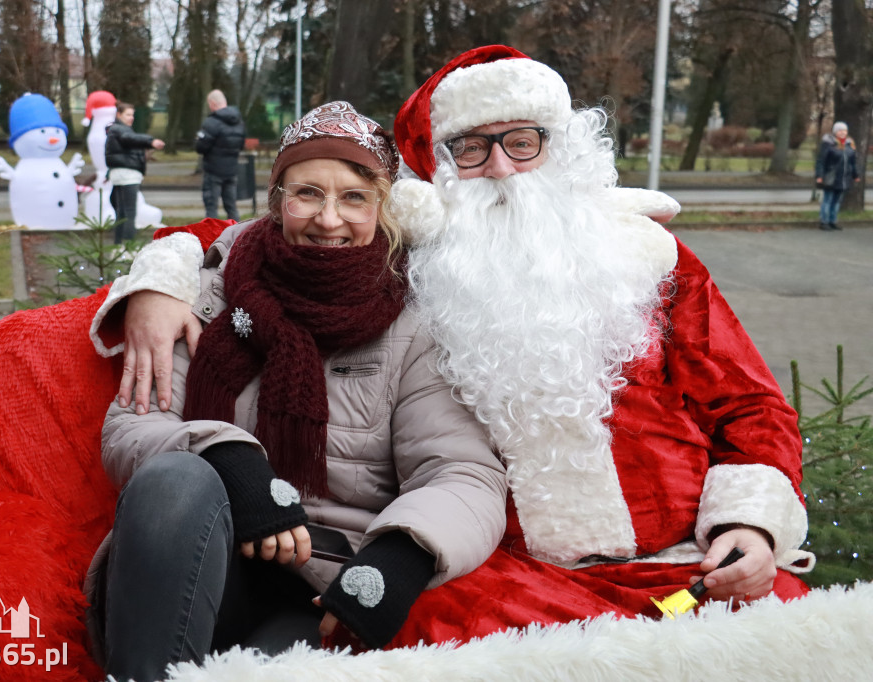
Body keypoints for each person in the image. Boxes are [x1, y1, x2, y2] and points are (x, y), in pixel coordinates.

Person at [93, 46, 813, 647]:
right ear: (434, 176)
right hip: (512, 574)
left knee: (773, 630)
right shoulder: (431, 270)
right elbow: (221, 248)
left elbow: (751, 404)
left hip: (681, 558)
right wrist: (158, 281)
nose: (500, 168)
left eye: (522, 142)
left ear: (562, 151)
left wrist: (750, 523)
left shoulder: (651, 260)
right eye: (471, 148)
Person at [86, 100, 507, 681]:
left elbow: (461, 472)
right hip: (195, 553)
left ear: (384, 208)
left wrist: (401, 557)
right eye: (308, 192)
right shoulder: (206, 295)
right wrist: (232, 462)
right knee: (174, 477)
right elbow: (132, 427)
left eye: (354, 197)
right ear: (278, 200)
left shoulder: (415, 321)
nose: (329, 219)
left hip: (320, 582)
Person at [105, 101, 165, 243]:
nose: (131, 117)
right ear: (119, 115)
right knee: (130, 212)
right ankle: (128, 247)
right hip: (128, 175)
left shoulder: (116, 130)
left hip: (119, 174)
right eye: (128, 114)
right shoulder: (120, 130)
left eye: (133, 115)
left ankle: (118, 246)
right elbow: (130, 139)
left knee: (121, 212)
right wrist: (150, 142)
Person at [196, 89, 246, 221]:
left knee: (211, 207)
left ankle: (212, 238)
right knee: (231, 207)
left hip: (213, 171)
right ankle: (237, 235)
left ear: (212, 103)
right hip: (231, 170)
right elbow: (241, 145)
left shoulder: (211, 122)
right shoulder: (239, 122)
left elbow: (201, 147)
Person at [815, 120, 859, 231]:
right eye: (840, 130)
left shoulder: (849, 145)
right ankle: (824, 222)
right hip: (831, 177)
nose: (842, 132)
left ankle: (832, 221)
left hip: (844, 178)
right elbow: (821, 161)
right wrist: (819, 175)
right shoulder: (828, 144)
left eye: (844, 130)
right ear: (835, 132)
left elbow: (852, 162)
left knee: (837, 201)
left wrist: (855, 175)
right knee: (828, 200)